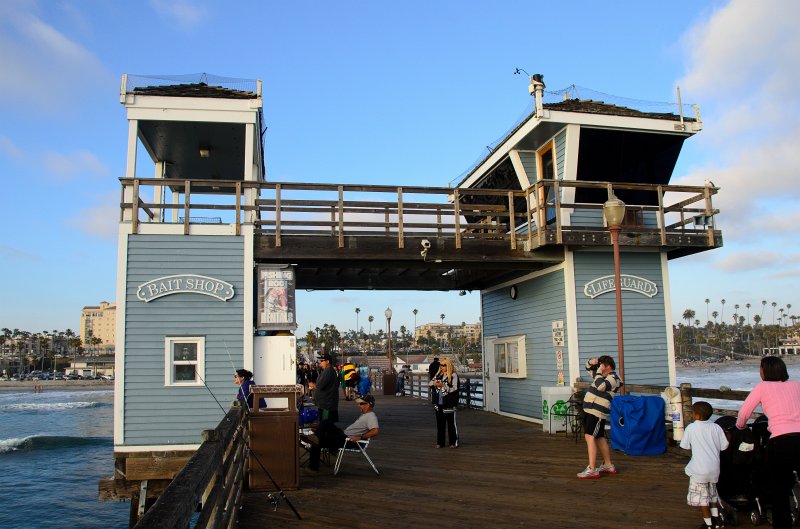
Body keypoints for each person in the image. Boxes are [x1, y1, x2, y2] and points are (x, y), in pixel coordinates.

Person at [736, 356, 800, 529]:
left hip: (780, 442)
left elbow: (744, 413)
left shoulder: (762, 387)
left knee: (779, 490)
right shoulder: (796, 385)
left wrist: (740, 427)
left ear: (765, 371)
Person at [681, 401, 729, 529]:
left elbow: (685, 446)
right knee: (713, 495)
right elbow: (724, 446)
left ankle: (708, 524)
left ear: (696, 415)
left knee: (703, 499)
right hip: (714, 469)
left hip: (699, 470)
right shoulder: (716, 427)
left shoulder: (691, 428)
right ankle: (717, 520)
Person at [307, 394, 380, 471]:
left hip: (347, 440)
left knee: (318, 439)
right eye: (359, 403)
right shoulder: (365, 415)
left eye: (361, 404)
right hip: (343, 435)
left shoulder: (371, 416)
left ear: (368, 405)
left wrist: (360, 437)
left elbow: (375, 431)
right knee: (325, 424)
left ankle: (313, 467)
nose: (359, 405)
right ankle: (319, 436)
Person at [577, 355, 622, 479]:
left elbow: (601, 386)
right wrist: (591, 362)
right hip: (590, 409)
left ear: (607, 367)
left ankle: (592, 468)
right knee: (599, 437)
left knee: (589, 436)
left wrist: (598, 372)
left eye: (601, 366)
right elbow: (587, 367)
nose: (599, 368)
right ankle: (608, 465)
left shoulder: (614, 378)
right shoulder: (601, 376)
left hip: (597, 411)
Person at [430, 358, 459, 448]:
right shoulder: (438, 374)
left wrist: (443, 385)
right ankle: (440, 442)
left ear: (448, 365)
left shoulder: (453, 375)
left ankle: (453, 442)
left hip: (449, 403)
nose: (442, 367)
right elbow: (430, 383)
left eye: (444, 365)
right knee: (440, 424)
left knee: (451, 424)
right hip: (439, 403)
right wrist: (435, 383)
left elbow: (454, 388)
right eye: (441, 365)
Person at [314, 353, 339, 423]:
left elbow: (320, 385)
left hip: (326, 404)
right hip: (327, 403)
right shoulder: (328, 371)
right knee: (326, 423)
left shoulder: (328, 371)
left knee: (325, 423)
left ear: (327, 361)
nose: (320, 363)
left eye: (322, 361)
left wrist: (313, 385)